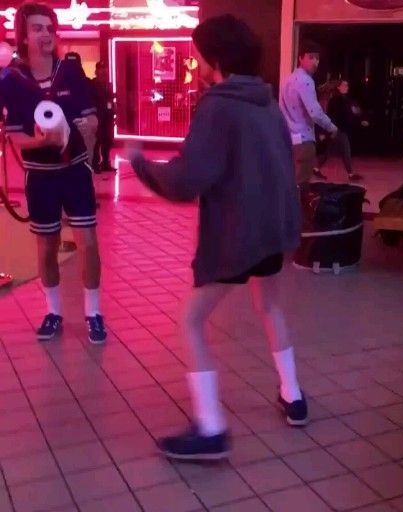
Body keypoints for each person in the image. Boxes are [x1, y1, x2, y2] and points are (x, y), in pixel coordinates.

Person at [130, 14, 307, 461]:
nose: (195, 61)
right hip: (273, 231)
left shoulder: (218, 105)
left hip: (239, 236)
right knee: (269, 305)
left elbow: (190, 178)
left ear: (215, 58)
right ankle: (293, 396)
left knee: (191, 321)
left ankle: (210, 428)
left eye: (198, 54)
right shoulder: (264, 102)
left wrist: (142, 166)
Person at [0, 2, 106, 344]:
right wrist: (39, 139)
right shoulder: (13, 83)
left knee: (88, 243)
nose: (46, 34)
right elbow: (16, 139)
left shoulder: (70, 72)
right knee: (46, 247)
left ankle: (93, 313)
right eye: (38, 28)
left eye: (49, 28)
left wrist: (89, 128)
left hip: (75, 171)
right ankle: (54, 311)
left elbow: (91, 117)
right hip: (41, 176)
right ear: (24, 36)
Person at [280, 40, 338, 186]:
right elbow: (315, 112)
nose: (315, 62)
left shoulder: (288, 80)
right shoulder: (306, 81)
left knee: (290, 183)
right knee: (301, 186)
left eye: (317, 58)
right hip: (304, 141)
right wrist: (331, 127)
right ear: (300, 58)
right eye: (311, 57)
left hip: (289, 140)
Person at [314, 80, 365, 182]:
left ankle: (315, 168)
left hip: (338, 129)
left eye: (347, 85)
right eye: (344, 85)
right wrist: (328, 131)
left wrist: (358, 118)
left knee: (327, 151)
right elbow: (331, 116)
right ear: (339, 87)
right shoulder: (335, 100)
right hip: (337, 129)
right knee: (346, 150)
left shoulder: (346, 100)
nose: (347, 87)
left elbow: (350, 114)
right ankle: (350, 174)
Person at [91, 61, 116, 173]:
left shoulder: (108, 85)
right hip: (98, 117)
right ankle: (95, 164)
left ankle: (105, 163)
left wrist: (114, 111)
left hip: (108, 118)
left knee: (107, 141)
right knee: (97, 142)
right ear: (96, 72)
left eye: (105, 70)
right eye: (101, 70)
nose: (103, 72)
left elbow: (110, 100)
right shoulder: (92, 85)